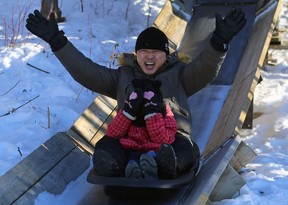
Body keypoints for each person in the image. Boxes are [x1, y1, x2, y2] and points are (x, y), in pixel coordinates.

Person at [26, 8, 246, 179]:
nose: (149, 57)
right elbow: (87, 72)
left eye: (155, 53)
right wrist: (58, 42)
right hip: (129, 140)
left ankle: (163, 166)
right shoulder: (123, 77)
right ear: (137, 54)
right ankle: (118, 167)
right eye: (144, 52)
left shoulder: (180, 76)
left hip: (169, 140)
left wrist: (219, 42)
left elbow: (205, 69)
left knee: (186, 150)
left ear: (166, 55)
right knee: (105, 146)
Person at [106, 78, 178, 179]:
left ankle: (154, 170)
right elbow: (112, 134)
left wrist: (152, 113)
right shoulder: (130, 111)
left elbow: (163, 140)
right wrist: (128, 113)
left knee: (157, 156)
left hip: (155, 150)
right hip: (130, 151)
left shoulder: (165, 115)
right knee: (125, 158)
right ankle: (133, 172)